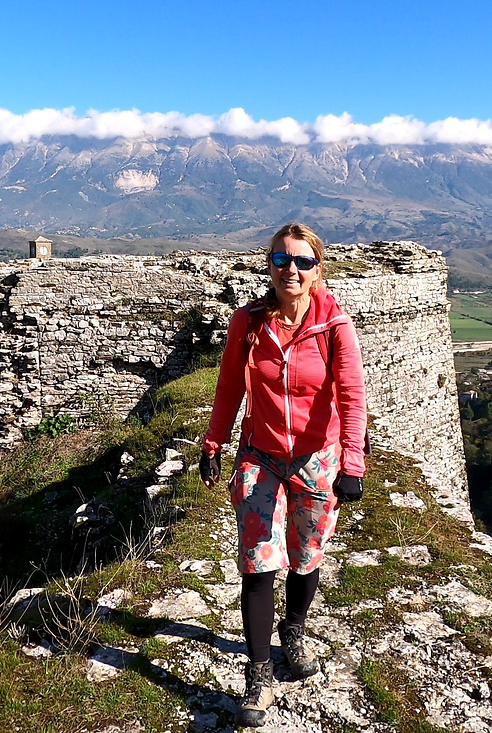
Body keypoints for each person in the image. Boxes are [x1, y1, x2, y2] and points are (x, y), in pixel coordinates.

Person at [199, 222, 367, 727]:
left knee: (304, 556)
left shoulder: (334, 324)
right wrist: (214, 441)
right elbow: (230, 385)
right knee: (257, 561)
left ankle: (293, 631)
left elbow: (352, 395)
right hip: (261, 455)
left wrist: (352, 463)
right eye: (280, 260)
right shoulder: (249, 323)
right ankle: (259, 670)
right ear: (269, 265)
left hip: (318, 457)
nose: (289, 270)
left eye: (301, 261)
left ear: (317, 269)